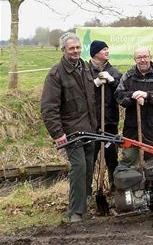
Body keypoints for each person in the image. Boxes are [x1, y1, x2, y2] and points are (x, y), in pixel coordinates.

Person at [41, 33, 97, 223]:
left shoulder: (85, 67)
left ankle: (84, 204)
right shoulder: (56, 74)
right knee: (79, 167)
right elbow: (48, 108)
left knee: (89, 166)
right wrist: (57, 133)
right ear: (63, 50)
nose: (75, 51)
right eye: (71, 48)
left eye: (77, 47)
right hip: (71, 131)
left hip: (89, 128)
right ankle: (76, 212)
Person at [115, 47, 153, 167]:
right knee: (129, 161)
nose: (143, 60)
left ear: (150, 57)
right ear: (134, 59)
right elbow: (119, 96)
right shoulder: (128, 76)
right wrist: (132, 96)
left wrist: (147, 96)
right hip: (133, 131)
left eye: (145, 56)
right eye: (139, 57)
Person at [88, 40, 122, 190]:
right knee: (90, 157)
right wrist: (93, 84)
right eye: (104, 49)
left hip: (110, 122)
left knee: (112, 157)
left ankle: (115, 188)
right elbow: (80, 92)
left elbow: (122, 91)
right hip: (92, 123)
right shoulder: (86, 71)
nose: (107, 51)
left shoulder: (113, 71)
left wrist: (112, 81)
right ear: (96, 53)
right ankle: (87, 191)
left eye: (108, 49)